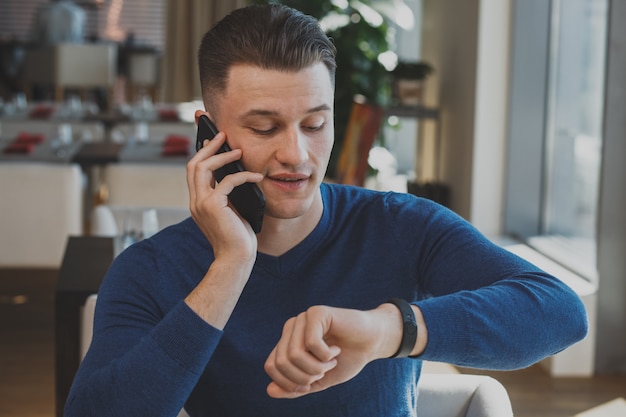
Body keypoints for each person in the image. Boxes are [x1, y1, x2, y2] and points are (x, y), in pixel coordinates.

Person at [65, 4, 587, 416]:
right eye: (264, 127)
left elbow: (560, 313)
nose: (296, 154)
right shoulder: (150, 269)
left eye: (315, 124)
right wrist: (229, 267)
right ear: (208, 133)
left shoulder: (401, 226)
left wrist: (390, 330)